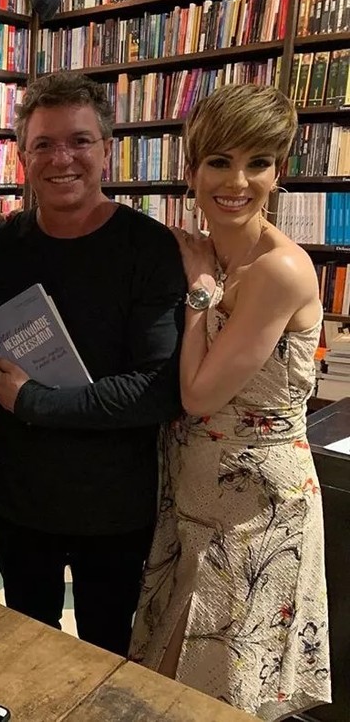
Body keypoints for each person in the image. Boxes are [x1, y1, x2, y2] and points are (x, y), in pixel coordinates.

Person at [129, 84, 331, 721]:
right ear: (191, 170)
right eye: (219, 161)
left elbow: (198, 393)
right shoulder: (209, 248)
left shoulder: (280, 270)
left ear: (279, 170)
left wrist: (199, 294)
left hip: (255, 509)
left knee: (222, 694)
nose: (238, 181)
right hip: (193, 493)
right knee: (168, 677)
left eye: (258, 162)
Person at [0, 72, 186, 656]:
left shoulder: (148, 248)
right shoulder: (0, 246)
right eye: (43, 144)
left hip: (114, 506)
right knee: (25, 652)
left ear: (106, 149)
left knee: (106, 654)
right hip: (21, 496)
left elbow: (156, 387)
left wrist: (34, 402)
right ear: (23, 157)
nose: (61, 159)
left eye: (79, 141)